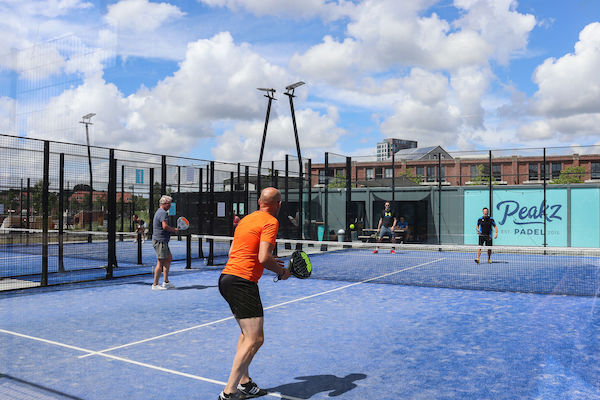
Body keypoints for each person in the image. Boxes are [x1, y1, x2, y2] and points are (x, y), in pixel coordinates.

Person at [218, 187, 291, 400]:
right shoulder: (271, 221)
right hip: (242, 282)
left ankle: (245, 383)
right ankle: (228, 392)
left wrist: (266, 259)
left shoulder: (245, 220)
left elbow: (234, 252)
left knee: (246, 335)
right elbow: (263, 258)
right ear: (278, 204)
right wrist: (282, 272)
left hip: (227, 279)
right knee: (256, 338)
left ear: (259, 201)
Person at [151, 195, 180, 290]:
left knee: (168, 258)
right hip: (160, 241)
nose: (170, 205)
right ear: (164, 204)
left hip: (162, 241)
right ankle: (155, 285)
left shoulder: (161, 212)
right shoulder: (163, 213)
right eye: (169, 203)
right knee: (160, 262)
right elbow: (165, 227)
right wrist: (174, 230)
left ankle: (166, 282)